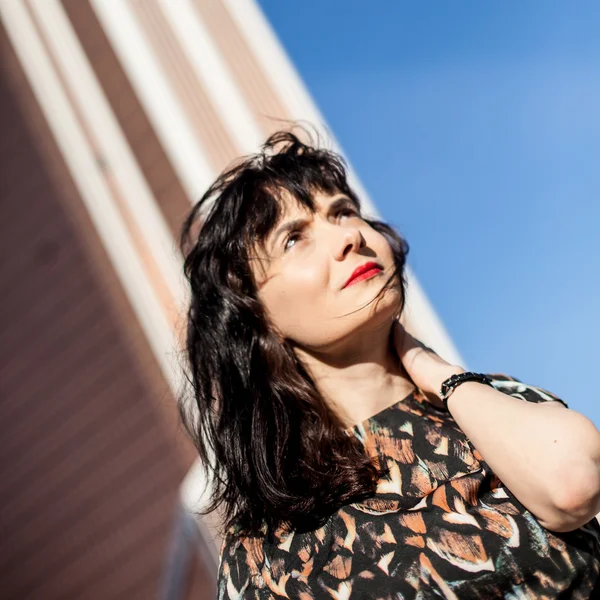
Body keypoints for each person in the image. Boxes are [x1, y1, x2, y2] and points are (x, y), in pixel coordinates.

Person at [178, 125, 600, 599]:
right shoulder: (265, 550)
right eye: (294, 238)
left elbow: (574, 486)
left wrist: (433, 371)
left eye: (343, 212)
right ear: (255, 318)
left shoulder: (487, 402)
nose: (347, 238)